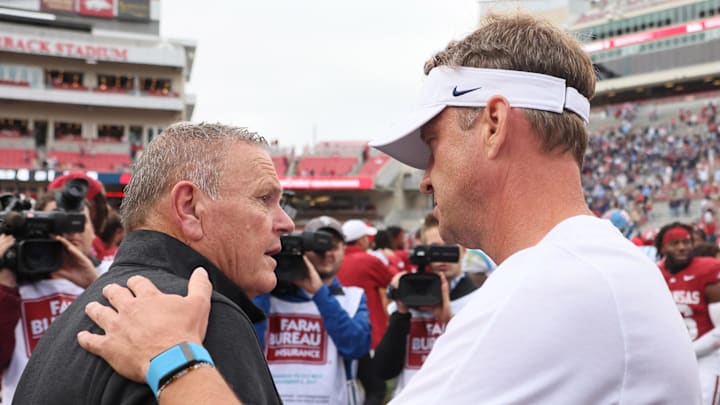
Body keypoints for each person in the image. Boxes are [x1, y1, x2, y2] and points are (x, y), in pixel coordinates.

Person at [75, 12, 700, 404]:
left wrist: (174, 362)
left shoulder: (556, 285)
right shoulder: (596, 269)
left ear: (492, 123)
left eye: (431, 146)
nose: (424, 179)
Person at [13, 122, 294, 404]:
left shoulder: (72, 321)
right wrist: (180, 362)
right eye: (264, 199)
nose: (287, 223)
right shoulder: (199, 315)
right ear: (189, 207)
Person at [252, 215, 371, 404]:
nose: (327, 254)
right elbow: (250, 344)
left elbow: (356, 347)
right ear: (304, 251)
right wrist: (267, 283)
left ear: (343, 250)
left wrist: (319, 293)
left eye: (333, 246)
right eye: (319, 248)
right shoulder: (269, 298)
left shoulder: (353, 298)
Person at [2, 189, 100, 404]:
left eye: (77, 221)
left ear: (94, 231)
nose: (70, 231)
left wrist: (95, 284)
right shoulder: (13, 284)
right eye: (56, 220)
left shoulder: (109, 276)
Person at [374, 213, 477, 398]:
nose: (442, 257)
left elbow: (481, 368)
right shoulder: (407, 295)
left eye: (449, 247)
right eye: (434, 249)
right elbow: (384, 370)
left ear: (463, 250)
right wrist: (401, 313)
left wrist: (449, 320)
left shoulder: (478, 300)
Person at [655, 222, 720, 405]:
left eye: (686, 242)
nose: (682, 247)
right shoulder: (655, 273)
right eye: (675, 243)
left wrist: (690, 351)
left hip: (708, 356)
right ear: (663, 246)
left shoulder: (708, 270)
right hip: (673, 356)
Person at [336, 218, 395, 405]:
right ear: (361, 240)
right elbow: (392, 281)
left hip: (338, 331)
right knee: (376, 388)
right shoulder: (370, 260)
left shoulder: (333, 259)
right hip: (368, 334)